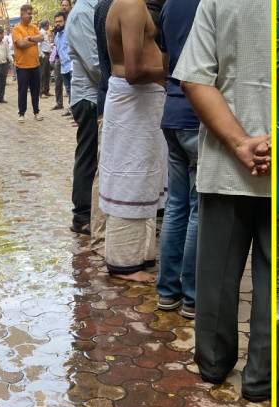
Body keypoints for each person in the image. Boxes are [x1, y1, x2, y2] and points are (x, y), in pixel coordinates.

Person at [175, 0, 270, 401]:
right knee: (269, 280)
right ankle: (261, 380)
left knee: (215, 274)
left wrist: (240, 144)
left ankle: (213, 365)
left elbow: (195, 79)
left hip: (226, 164)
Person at [99, 0, 167, 279]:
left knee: (144, 177)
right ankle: (124, 262)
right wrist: (171, 68)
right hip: (133, 105)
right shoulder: (130, 5)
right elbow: (133, 71)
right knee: (132, 178)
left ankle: (140, 256)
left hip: (139, 106)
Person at [154, 0, 201, 319]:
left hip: (172, 111)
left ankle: (168, 291)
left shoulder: (170, 5)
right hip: (198, 116)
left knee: (176, 204)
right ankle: (193, 295)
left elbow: (164, 59)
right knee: (199, 207)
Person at [66, 0, 102, 234]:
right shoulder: (82, 14)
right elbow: (95, 64)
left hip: (96, 94)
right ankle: (82, 215)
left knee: (95, 155)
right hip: (88, 96)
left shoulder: (94, 8)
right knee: (88, 155)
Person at [12, 4, 45, 121]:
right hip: (22, 66)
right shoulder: (16, 29)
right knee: (22, 91)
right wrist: (34, 41)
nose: (31, 16)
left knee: (36, 90)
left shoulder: (34, 27)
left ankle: (36, 112)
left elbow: (41, 38)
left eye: (31, 14)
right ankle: (21, 114)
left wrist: (30, 39)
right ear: (22, 14)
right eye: (29, 14)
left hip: (35, 65)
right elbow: (20, 44)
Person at [50, 12, 71, 110]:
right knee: (68, 89)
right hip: (63, 67)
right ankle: (72, 111)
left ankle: (74, 112)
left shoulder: (69, 33)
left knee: (73, 90)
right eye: (56, 22)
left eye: (60, 21)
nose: (58, 23)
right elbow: (57, 51)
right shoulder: (57, 36)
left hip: (72, 67)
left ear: (65, 22)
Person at [38, 20, 52, 97]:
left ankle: (46, 90)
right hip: (43, 55)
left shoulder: (46, 32)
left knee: (47, 73)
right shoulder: (41, 33)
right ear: (45, 25)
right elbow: (38, 45)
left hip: (47, 54)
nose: (48, 26)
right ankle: (41, 92)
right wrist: (42, 54)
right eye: (48, 24)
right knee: (42, 74)